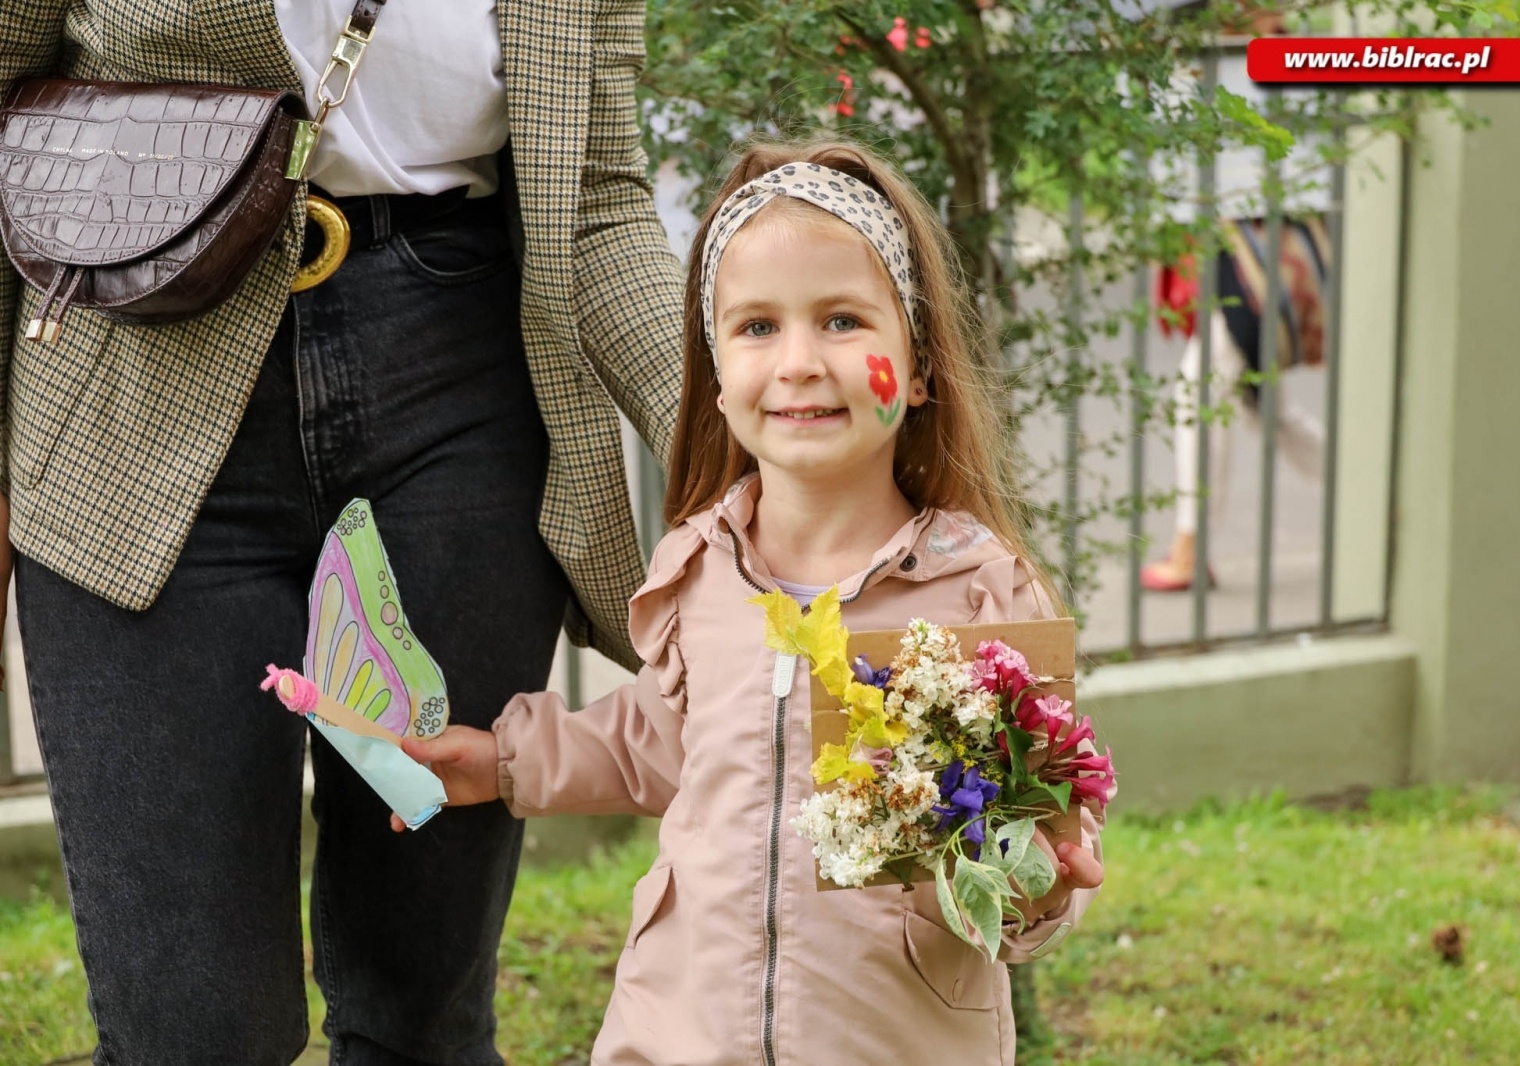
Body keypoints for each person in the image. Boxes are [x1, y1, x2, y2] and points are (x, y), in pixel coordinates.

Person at [0, 3, 682, 1063]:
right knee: (192, 1031)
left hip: (459, 381)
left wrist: (748, 450)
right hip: (133, 379)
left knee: (424, 1014)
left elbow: (593, 203)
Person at [398, 139, 1111, 1065]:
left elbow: (1041, 810)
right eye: (758, 327)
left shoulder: (979, 591)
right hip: (678, 1035)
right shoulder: (700, 568)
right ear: (716, 376)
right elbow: (662, 740)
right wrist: (504, 760)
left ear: (920, 368)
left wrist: (1040, 886)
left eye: (843, 320)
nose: (799, 361)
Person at [1141, 214, 1329, 591]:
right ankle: (1370, 492)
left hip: (1245, 247)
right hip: (1241, 246)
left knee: (1199, 394)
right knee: (1268, 412)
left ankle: (1190, 549)